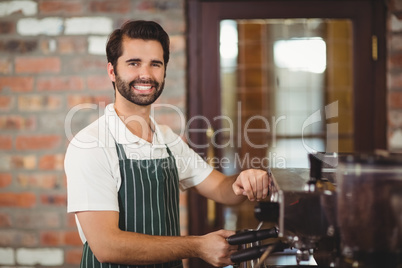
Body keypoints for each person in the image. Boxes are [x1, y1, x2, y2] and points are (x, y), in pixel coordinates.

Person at [65, 20, 270, 268]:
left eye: (155, 64)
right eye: (134, 63)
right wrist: (197, 246)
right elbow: (107, 246)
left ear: (164, 71)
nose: (146, 74)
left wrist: (243, 181)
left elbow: (222, 189)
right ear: (112, 71)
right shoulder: (91, 144)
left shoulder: (167, 140)